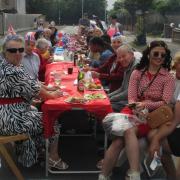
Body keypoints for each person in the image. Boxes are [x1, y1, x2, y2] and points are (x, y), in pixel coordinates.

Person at [98, 40, 175, 180]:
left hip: (153, 116)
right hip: (132, 110)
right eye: (156, 53)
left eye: (163, 55)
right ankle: (105, 176)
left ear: (166, 57)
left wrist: (145, 105)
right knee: (118, 142)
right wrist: (136, 107)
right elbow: (131, 97)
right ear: (148, 54)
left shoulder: (168, 77)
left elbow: (165, 102)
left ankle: (133, 173)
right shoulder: (137, 73)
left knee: (126, 133)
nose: (159, 57)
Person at [0, 34, 68, 171]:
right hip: (10, 119)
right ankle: (53, 158)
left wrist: (48, 88)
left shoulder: (7, 65)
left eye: (20, 49)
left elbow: (32, 82)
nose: (18, 53)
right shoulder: (12, 71)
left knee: (35, 111)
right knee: (51, 121)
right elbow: (37, 91)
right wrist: (52, 94)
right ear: (4, 52)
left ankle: (32, 154)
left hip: (8, 113)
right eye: (13, 50)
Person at [148, 51, 180, 180]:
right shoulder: (172, 78)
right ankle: (171, 175)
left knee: (155, 137)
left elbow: (174, 122)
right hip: (171, 119)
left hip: (175, 123)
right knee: (152, 135)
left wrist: (156, 140)